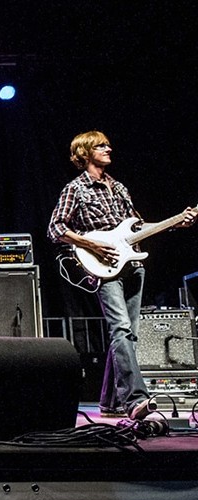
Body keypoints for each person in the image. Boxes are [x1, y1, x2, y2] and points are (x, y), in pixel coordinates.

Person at [47, 130, 196, 421]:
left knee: (130, 334)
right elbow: (56, 228)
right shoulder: (76, 188)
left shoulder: (119, 188)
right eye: (101, 146)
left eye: (107, 144)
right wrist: (91, 244)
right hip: (104, 267)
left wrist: (177, 222)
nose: (109, 148)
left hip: (133, 264)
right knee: (121, 329)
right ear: (85, 153)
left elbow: (138, 227)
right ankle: (135, 399)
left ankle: (110, 402)